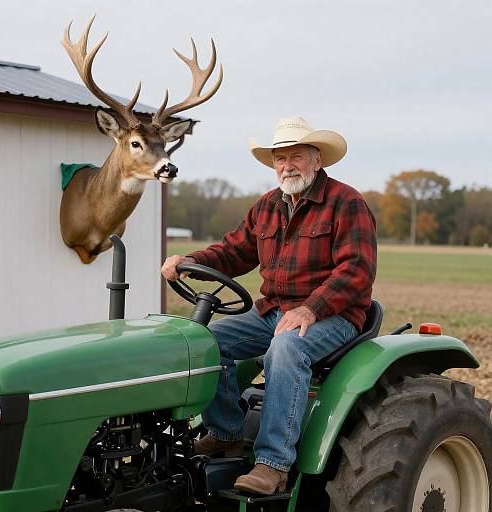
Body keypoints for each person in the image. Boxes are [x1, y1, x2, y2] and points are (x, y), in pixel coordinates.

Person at [161, 116, 377, 495]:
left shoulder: (347, 203)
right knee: (206, 340)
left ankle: (273, 463)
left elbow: (357, 269)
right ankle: (225, 432)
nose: (287, 165)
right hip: (273, 310)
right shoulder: (267, 207)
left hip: (335, 314)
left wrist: (311, 308)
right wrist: (189, 261)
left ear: (318, 160)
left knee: (287, 347)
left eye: (296, 156)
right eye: (280, 158)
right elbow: (233, 252)